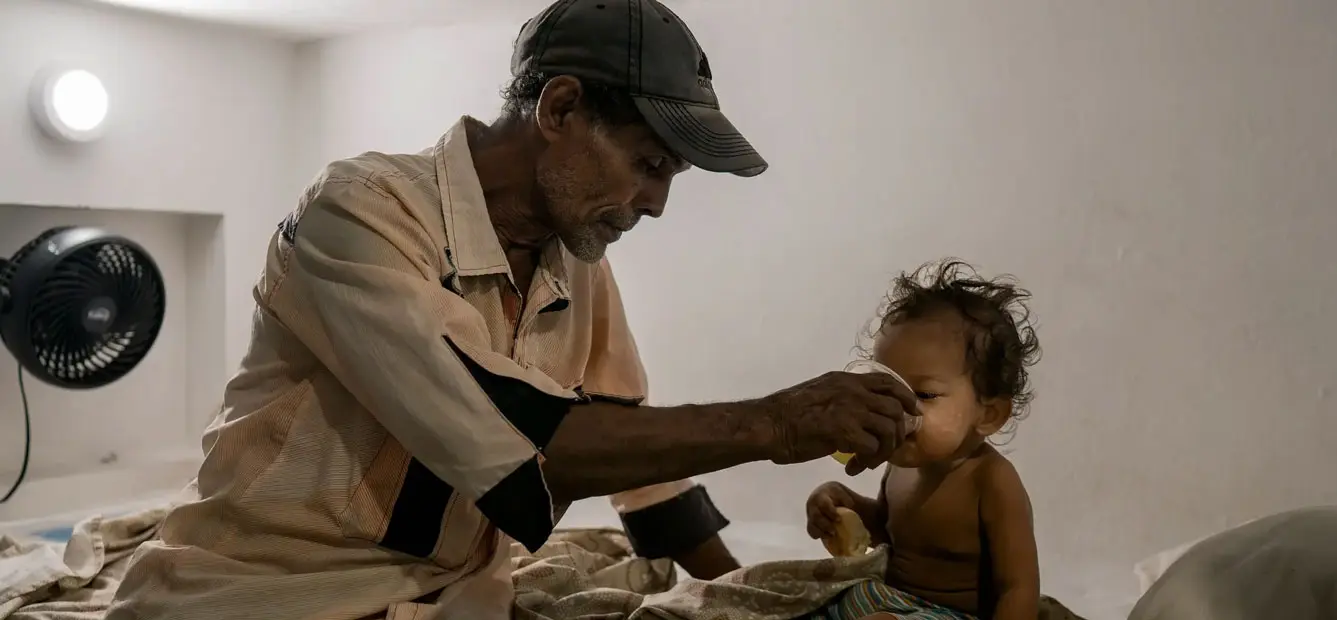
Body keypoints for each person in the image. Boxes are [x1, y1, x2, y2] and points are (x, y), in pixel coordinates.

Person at [102, 1, 917, 619]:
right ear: (559, 110)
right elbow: (528, 440)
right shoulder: (361, 213)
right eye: (648, 164)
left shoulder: (575, 260)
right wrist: (779, 423)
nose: (657, 204)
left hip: (454, 602)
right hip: (268, 600)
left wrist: (740, 596)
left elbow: (641, 467)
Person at [805, 260, 1043, 620]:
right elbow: (887, 531)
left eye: (925, 394)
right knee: (813, 599)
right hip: (891, 603)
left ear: (988, 414)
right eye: (885, 387)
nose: (899, 408)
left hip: (951, 616)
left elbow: (1019, 587)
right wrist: (841, 503)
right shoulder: (900, 463)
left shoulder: (991, 481)